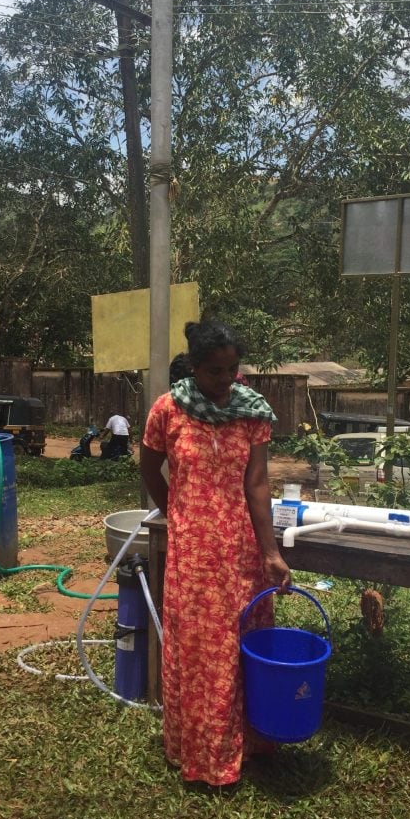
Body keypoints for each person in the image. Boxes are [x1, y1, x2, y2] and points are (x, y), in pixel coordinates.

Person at [140, 320, 291, 787]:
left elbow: (257, 484)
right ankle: (203, 754)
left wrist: (270, 552)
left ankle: (250, 742)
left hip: (242, 550)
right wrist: (177, 512)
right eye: (214, 371)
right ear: (193, 367)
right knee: (201, 651)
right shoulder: (168, 410)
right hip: (193, 555)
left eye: (232, 369)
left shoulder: (254, 413)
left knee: (242, 644)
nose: (226, 379)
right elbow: (149, 467)